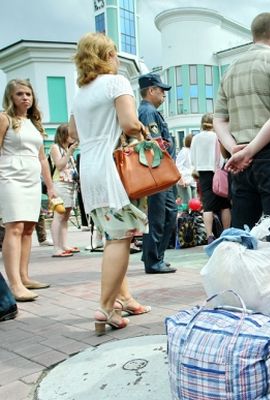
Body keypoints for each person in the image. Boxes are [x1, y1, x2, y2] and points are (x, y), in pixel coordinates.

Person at [71, 32, 151, 334]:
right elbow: (129, 124)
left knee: (111, 235)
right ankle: (105, 307)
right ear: (108, 56)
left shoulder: (81, 92)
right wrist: (141, 129)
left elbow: (73, 132)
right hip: (110, 166)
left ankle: (118, 306)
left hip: (89, 166)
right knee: (120, 238)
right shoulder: (116, 83)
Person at [214, 12, 270, 246]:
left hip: (239, 163)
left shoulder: (230, 69)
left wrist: (235, 150)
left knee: (243, 234)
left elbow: (218, 120)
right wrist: (249, 151)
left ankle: (240, 271)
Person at [0, 79, 55, 302]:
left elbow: (42, 158)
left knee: (29, 229)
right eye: (20, 94)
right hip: (10, 176)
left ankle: (24, 277)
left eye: (28, 94)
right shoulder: (4, 118)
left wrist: (50, 186)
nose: (25, 97)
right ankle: (14, 284)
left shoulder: (33, 123)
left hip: (32, 179)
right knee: (14, 227)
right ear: (10, 97)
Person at [137, 72, 177, 274]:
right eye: (161, 90)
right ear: (151, 90)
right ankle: (153, 261)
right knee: (158, 217)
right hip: (157, 172)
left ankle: (155, 256)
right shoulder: (148, 112)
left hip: (162, 173)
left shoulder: (150, 111)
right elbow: (154, 144)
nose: (164, 94)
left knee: (169, 214)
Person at [189, 113, 231, 243]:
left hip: (203, 172)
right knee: (224, 205)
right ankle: (226, 232)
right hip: (218, 172)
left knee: (208, 206)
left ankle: (209, 236)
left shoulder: (196, 138)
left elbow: (192, 158)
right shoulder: (217, 136)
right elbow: (223, 155)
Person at [49, 123, 80, 257]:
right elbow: (60, 165)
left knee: (66, 216)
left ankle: (64, 244)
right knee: (59, 215)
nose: (73, 136)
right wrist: (69, 152)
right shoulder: (55, 147)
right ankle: (57, 248)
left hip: (70, 184)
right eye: (70, 134)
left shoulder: (67, 149)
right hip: (60, 184)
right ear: (63, 135)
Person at [175, 134, 195, 207]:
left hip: (192, 181)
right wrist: (181, 179)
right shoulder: (184, 151)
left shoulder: (192, 151)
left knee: (194, 204)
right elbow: (178, 166)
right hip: (185, 181)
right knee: (186, 204)